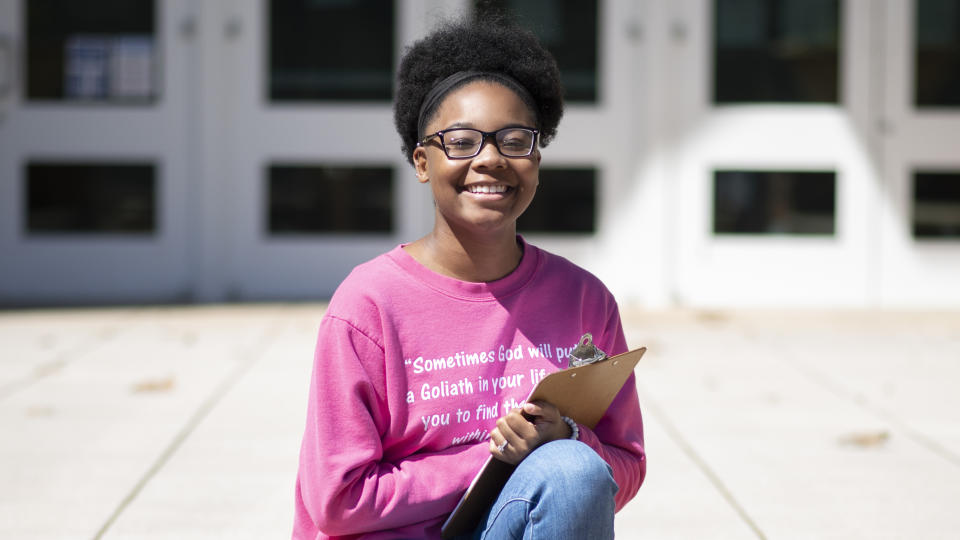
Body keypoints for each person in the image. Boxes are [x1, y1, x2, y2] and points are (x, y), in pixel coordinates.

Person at [293, 15, 645, 540]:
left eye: (514, 140)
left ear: (537, 159)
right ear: (422, 162)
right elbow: (338, 501)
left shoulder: (583, 301)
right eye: (461, 141)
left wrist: (567, 439)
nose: (490, 159)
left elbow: (625, 465)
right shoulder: (369, 305)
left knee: (571, 471)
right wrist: (497, 456)